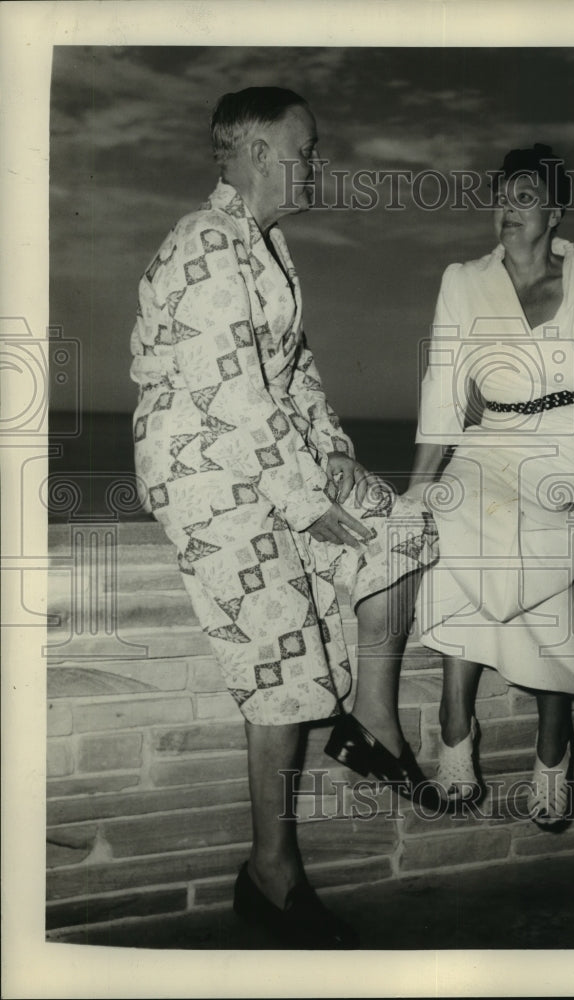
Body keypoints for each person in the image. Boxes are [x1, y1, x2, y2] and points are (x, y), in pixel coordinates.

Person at [130, 87, 437, 948]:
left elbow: (293, 373)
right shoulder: (204, 241)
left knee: (397, 528)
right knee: (281, 656)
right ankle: (269, 873)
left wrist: (334, 454)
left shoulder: (269, 247)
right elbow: (231, 394)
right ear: (257, 150)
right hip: (204, 469)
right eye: (306, 149)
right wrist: (304, 504)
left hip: (274, 458)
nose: (317, 163)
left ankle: (371, 719)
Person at [410, 144, 574, 829]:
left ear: (554, 211)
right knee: (454, 520)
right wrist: (417, 490)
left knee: (550, 539)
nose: (505, 210)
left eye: (521, 197)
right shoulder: (463, 279)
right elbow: (442, 391)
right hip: (489, 446)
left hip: (567, 447)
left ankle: (552, 746)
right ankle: (456, 727)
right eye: (499, 198)